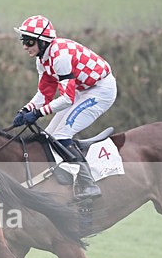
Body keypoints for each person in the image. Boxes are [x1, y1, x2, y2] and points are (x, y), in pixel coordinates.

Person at [11, 15, 117, 199]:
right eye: (23, 41)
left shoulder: (60, 57)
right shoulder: (42, 60)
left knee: (61, 135)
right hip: (82, 90)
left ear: (43, 41)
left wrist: (38, 113)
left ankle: (89, 184)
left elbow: (67, 99)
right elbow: (44, 94)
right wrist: (26, 109)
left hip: (101, 91)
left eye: (29, 41)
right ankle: (61, 175)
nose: (25, 46)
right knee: (48, 136)